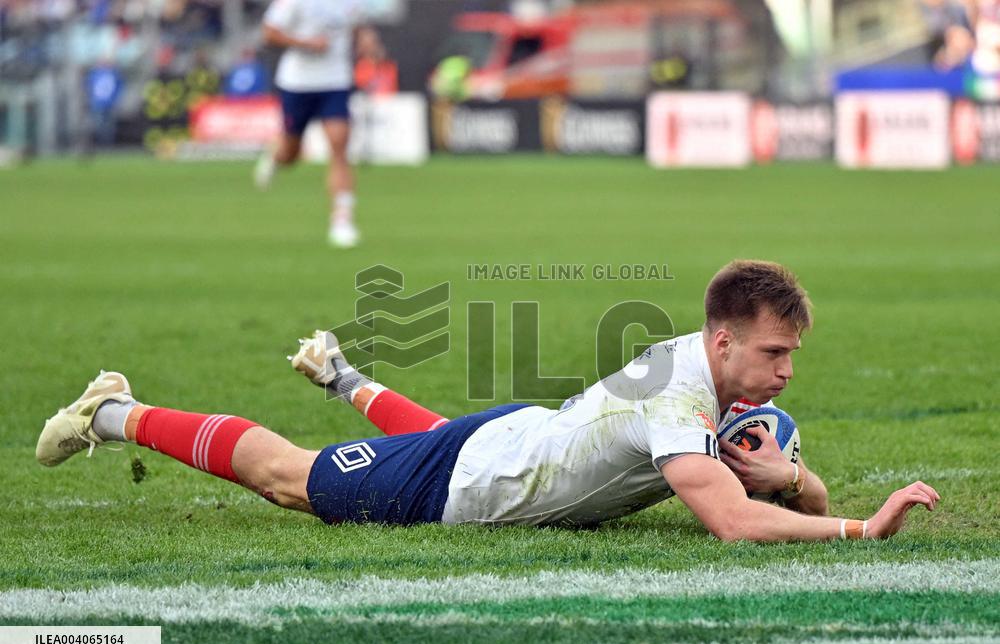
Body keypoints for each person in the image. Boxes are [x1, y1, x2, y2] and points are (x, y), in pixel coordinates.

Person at [36, 260, 939, 541]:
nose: (785, 372)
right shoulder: (678, 393)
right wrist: (862, 529)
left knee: (435, 440)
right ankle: (112, 411)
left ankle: (344, 379)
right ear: (722, 341)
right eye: (773, 353)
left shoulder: (720, 396)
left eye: (792, 356)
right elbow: (737, 524)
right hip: (467, 481)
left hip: (506, 443)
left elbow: (787, 496)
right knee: (293, 480)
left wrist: (796, 479)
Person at [252, 0, 381, 248]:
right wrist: (306, 44)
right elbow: (269, 32)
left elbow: (359, 27)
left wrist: (367, 42)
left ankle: (342, 219)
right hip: (297, 84)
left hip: (335, 82)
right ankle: (276, 156)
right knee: (291, 153)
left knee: (339, 145)